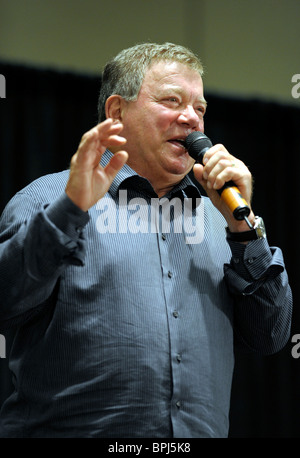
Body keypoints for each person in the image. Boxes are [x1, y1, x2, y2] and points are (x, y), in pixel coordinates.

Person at [0, 42, 292, 438]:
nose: (191, 118)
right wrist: (70, 210)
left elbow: (270, 336)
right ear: (117, 112)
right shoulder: (49, 199)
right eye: (172, 100)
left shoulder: (221, 217)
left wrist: (245, 228)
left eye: (200, 109)